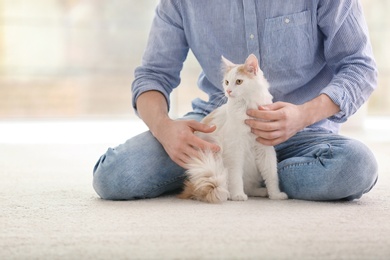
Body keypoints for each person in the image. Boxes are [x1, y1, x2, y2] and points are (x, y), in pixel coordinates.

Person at [93, 0, 378, 201]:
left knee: (357, 167)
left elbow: (359, 65)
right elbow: (153, 76)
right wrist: (164, 129)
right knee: (114, 176)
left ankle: (248, 178)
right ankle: (241, 176)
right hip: (218, 131)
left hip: (304, 133)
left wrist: (303, 115)